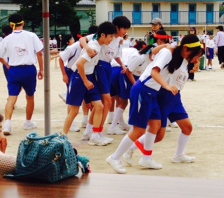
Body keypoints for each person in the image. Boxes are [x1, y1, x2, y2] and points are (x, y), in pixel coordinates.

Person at [106, 34, 203, 174]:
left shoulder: (177, 56)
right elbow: (154, 72)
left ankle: (146, 157)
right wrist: (168, 86)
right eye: (194, 53)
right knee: (139, 130)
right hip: (143, 90)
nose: (194, 57)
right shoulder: (168, 53)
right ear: (186, 48)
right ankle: (114, 157)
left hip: (153, 93)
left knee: (156, 126)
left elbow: (154, 54)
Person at [63, 21, 117, 146]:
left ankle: (95, 136)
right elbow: (79, 64)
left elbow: (83, 39)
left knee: (99, 106)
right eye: (110, 37)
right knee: (74, 111)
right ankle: (63, 137)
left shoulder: (97, 41)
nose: (111, 40)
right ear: (103, 35)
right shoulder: (94, 47)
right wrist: (86, 81)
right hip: (80, 78)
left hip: (90, 76)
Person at [0, 13, 44, 135]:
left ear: (11, 25)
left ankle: (8, 123)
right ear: (23, 23)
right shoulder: (31, 36)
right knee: (30, 96)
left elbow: (0, 55)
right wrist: (42, 69)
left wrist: (7, 64)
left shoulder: (7, 39)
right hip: (29, 69)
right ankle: (28, 121)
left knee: (12, 97)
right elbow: (40, 53)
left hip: (14, 70)